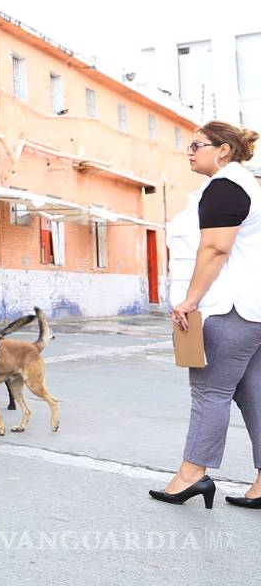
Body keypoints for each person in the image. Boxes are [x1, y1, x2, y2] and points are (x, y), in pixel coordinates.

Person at [150, 121, 261, 509]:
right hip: (250, 310)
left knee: (209, 392)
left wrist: (190, 300)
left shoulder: (226, 187)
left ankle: (191, 474)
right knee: (254, 393)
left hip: (226, 309)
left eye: (197, 145)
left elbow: (215, 248)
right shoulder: (241, 185)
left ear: (224, 150)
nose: (190, 151)